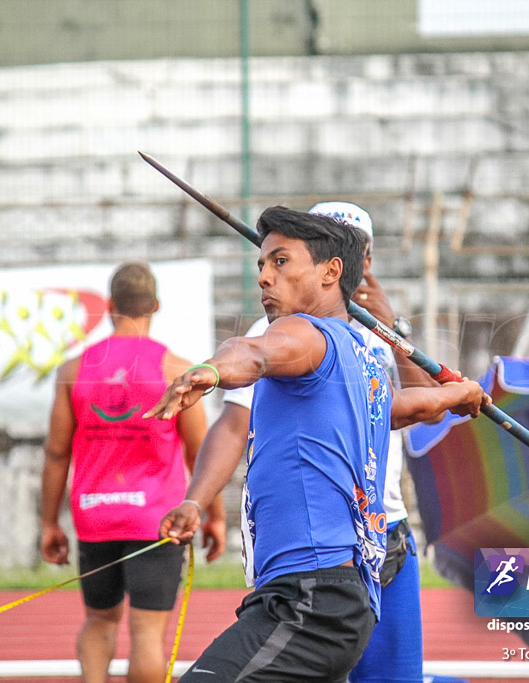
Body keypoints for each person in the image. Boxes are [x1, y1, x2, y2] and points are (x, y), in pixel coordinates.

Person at [146, 206, 488, 682]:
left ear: (333, 271)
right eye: (262, 265)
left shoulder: (301, 332)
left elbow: (257, 352)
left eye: (280, 262)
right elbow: (398, 408)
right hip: (329, 593)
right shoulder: (358, 351)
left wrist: (217, 369)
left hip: (312, 595)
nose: (264, 277)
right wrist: (459, 393)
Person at [219, 201, 440, 683]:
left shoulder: (381, 334)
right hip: (322, 545)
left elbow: (423, 403)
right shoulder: (282, 328)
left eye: (361, 249)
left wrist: (394, 328)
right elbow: (236, 410)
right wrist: (198, 499)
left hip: (386, 529)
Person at [40, 261, 226, 683]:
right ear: (155, 306)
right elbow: (200, 454)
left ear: (109, 306)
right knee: (147, 631)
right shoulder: (175, 370)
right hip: (156, 519)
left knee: (99, 621)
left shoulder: (73, 371)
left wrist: (49, 523)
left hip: (95, 516)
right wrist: (214, 514)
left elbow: (55, 453)